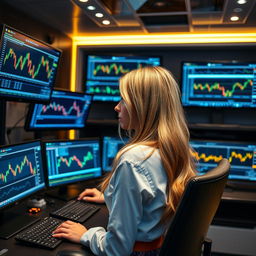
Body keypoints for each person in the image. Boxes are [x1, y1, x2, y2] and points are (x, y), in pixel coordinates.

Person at [52, 66, 196, 256]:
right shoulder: (169, 148)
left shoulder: (134, 159)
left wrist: (86, 234)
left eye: (124, 100)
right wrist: (110, 197)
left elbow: (117, 249)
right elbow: (154, 199)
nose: (117, 107)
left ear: (143, 106)